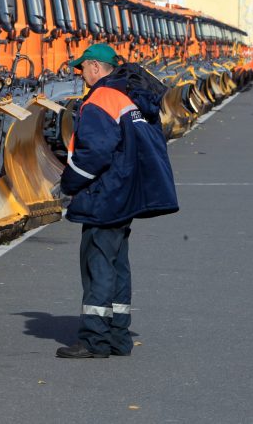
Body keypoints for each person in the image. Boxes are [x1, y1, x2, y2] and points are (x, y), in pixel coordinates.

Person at [57, 44, 178, 359]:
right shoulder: (130, 96)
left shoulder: (100, 100)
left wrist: (69, 183)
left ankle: (94, 339)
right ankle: (118, 336)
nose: (80, 74)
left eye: (82, 68)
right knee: (118, 266)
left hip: (104, 197)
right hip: (126, 195)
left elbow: (95, 152)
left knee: (97, 266)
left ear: (96, 67)